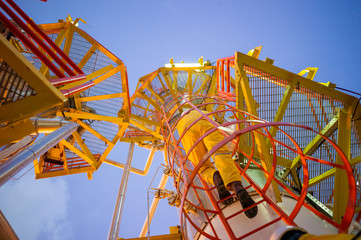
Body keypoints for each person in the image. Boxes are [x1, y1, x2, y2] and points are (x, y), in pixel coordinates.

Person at [176, 109, 258, 218]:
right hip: (204, 123)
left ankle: (216, 178)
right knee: (221, 154)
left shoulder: (180, 123)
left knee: (202, 167)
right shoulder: (199, 110)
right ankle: (236, 186)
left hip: (186, 132)